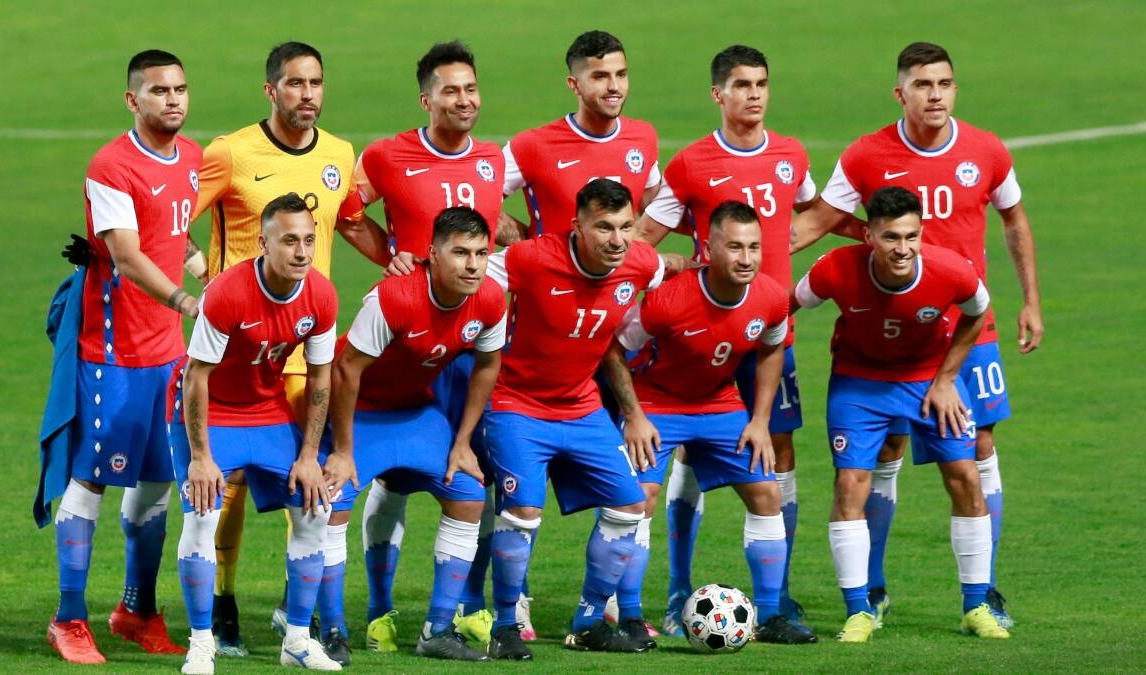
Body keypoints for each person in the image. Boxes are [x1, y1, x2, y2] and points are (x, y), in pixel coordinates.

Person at [791, 42, 1043, 628]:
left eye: (945, 84)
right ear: (900, 93)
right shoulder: (866, 155)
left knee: (976, 450)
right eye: (923, 85)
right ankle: (871, 590)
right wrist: (745, 265)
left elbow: (1015, 220)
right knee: (883, 451)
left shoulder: (985, 150)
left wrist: (1031, 299)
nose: (935, 95)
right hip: (885, 333)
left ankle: (986, 592)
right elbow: (817, 222)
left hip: (966, 331)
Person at [191, 41, 364, 657]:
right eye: (294, 84)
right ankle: (223, 600)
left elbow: (348, 220)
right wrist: (197, 282)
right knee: (227, 483)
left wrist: (399, 258)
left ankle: (307, 617)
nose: (308, 94)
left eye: (316, 82)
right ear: (271, 90)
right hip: (239, 350)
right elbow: (177, 215)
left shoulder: (340, 155)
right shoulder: (230, 154)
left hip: (305, 348)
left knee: (312, 480)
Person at [636, 44, 816, 634]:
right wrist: (673, 268)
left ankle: (778, 598)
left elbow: (816, 211)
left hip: (766, 331)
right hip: (701, 334)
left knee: (775, 454)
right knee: (688, 448)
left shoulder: (791, 155)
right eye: (742, 85)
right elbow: (643, 235)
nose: (755, 95)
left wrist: (778, 253)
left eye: (762, 83)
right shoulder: (690, 164)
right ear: (719, 94)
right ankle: (676, 588)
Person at [335, 41, 507, 651]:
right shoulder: (386, 155)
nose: (464, 101)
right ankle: (380, 610)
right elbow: (346, 212)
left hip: (469, 339)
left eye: (471, 89)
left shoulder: (492, 159)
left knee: (476, 473)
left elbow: (499, 228)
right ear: (427, 98)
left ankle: (467, 608)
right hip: (410, 340)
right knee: (394, 480)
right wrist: (391, 256)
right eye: (451, 91)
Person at [791, 186, 1009, 643]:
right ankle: (859, 610)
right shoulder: (835, 269)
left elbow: (978, 313)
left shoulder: (950, 271)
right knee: (851, 482)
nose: (902, 249)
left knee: (965, 476)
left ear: (922, 233)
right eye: (891, 237)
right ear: (868, 234)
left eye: (911, 237)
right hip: (859, 383)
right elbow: (785, 306)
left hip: (929, 380)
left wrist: (948, 378)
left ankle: (976, 606)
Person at [604, 201, 818, 645]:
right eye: (735, 247)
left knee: (766, 491)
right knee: (638, 498)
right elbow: (615, 350)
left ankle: (772, 614)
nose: (746, 258)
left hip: (718, 403)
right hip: (657, 402)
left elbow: (773, 347)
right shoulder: (668, 300)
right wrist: (634, 415)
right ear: (709, 248)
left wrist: (760, 420)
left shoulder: (770, 297)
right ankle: (628, 616)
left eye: (754, 248)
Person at [46, 49, 198, 665]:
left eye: (181, 89)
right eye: (159, 91)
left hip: (168, 354)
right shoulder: (111, 166)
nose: (174, 100)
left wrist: (205, 272)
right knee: (91, 480)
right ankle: (68, 616)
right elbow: (129, 255)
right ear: (133, 100)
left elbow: (174, 233)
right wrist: (188, 297)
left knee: (160, 481)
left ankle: (136, 609)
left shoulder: (190, 157)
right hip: (113, 353)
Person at [481, 179, 666, 660]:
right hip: (516, 403)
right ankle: (504, 623)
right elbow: (469, 279)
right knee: (523, 513)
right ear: (576, 226)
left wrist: (634, 411)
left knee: (629, 508)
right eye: (603, 227)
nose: (617, 240)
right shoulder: (530, 258)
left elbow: (669, 270)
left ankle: (587, 621)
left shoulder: (640, 264)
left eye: (626, 227)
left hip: (582, 406)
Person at [169, 194, 341, 674]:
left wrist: (309, 454)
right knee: (203, 512)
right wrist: (200, 457)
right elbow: (196, 376)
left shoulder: (321, 295)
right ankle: (201, 642)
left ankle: (298, 640)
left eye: (308, 240)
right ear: (263, 243)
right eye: (289, 241)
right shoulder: (227, 293)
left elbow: (321, 377)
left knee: (315, 508)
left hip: (265, 410)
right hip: (210, 412)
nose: (302, 252)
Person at [325, 207, 505, 662]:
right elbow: (346, 370)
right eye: (460, 252)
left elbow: (487, 366)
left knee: (467, 494)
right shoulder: (394, 298)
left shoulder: (490, 299)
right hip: (358, 411)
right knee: (332, 503)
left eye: (481, 253)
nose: (472, 264)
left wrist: (463, 442)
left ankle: (437, 630)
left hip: (413, 411)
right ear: (431, 254)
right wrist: (343, 450)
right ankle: (328, 628)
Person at [501, 30, 661, 243]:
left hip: (621, 277)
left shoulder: (643, 137)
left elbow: (659, 211)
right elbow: (477, 203)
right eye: (600, 76)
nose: (614, 87)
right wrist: (530, 246)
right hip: (552, 276)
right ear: (574, 84)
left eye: (621, 74)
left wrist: (631, 256)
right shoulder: (532, 146)